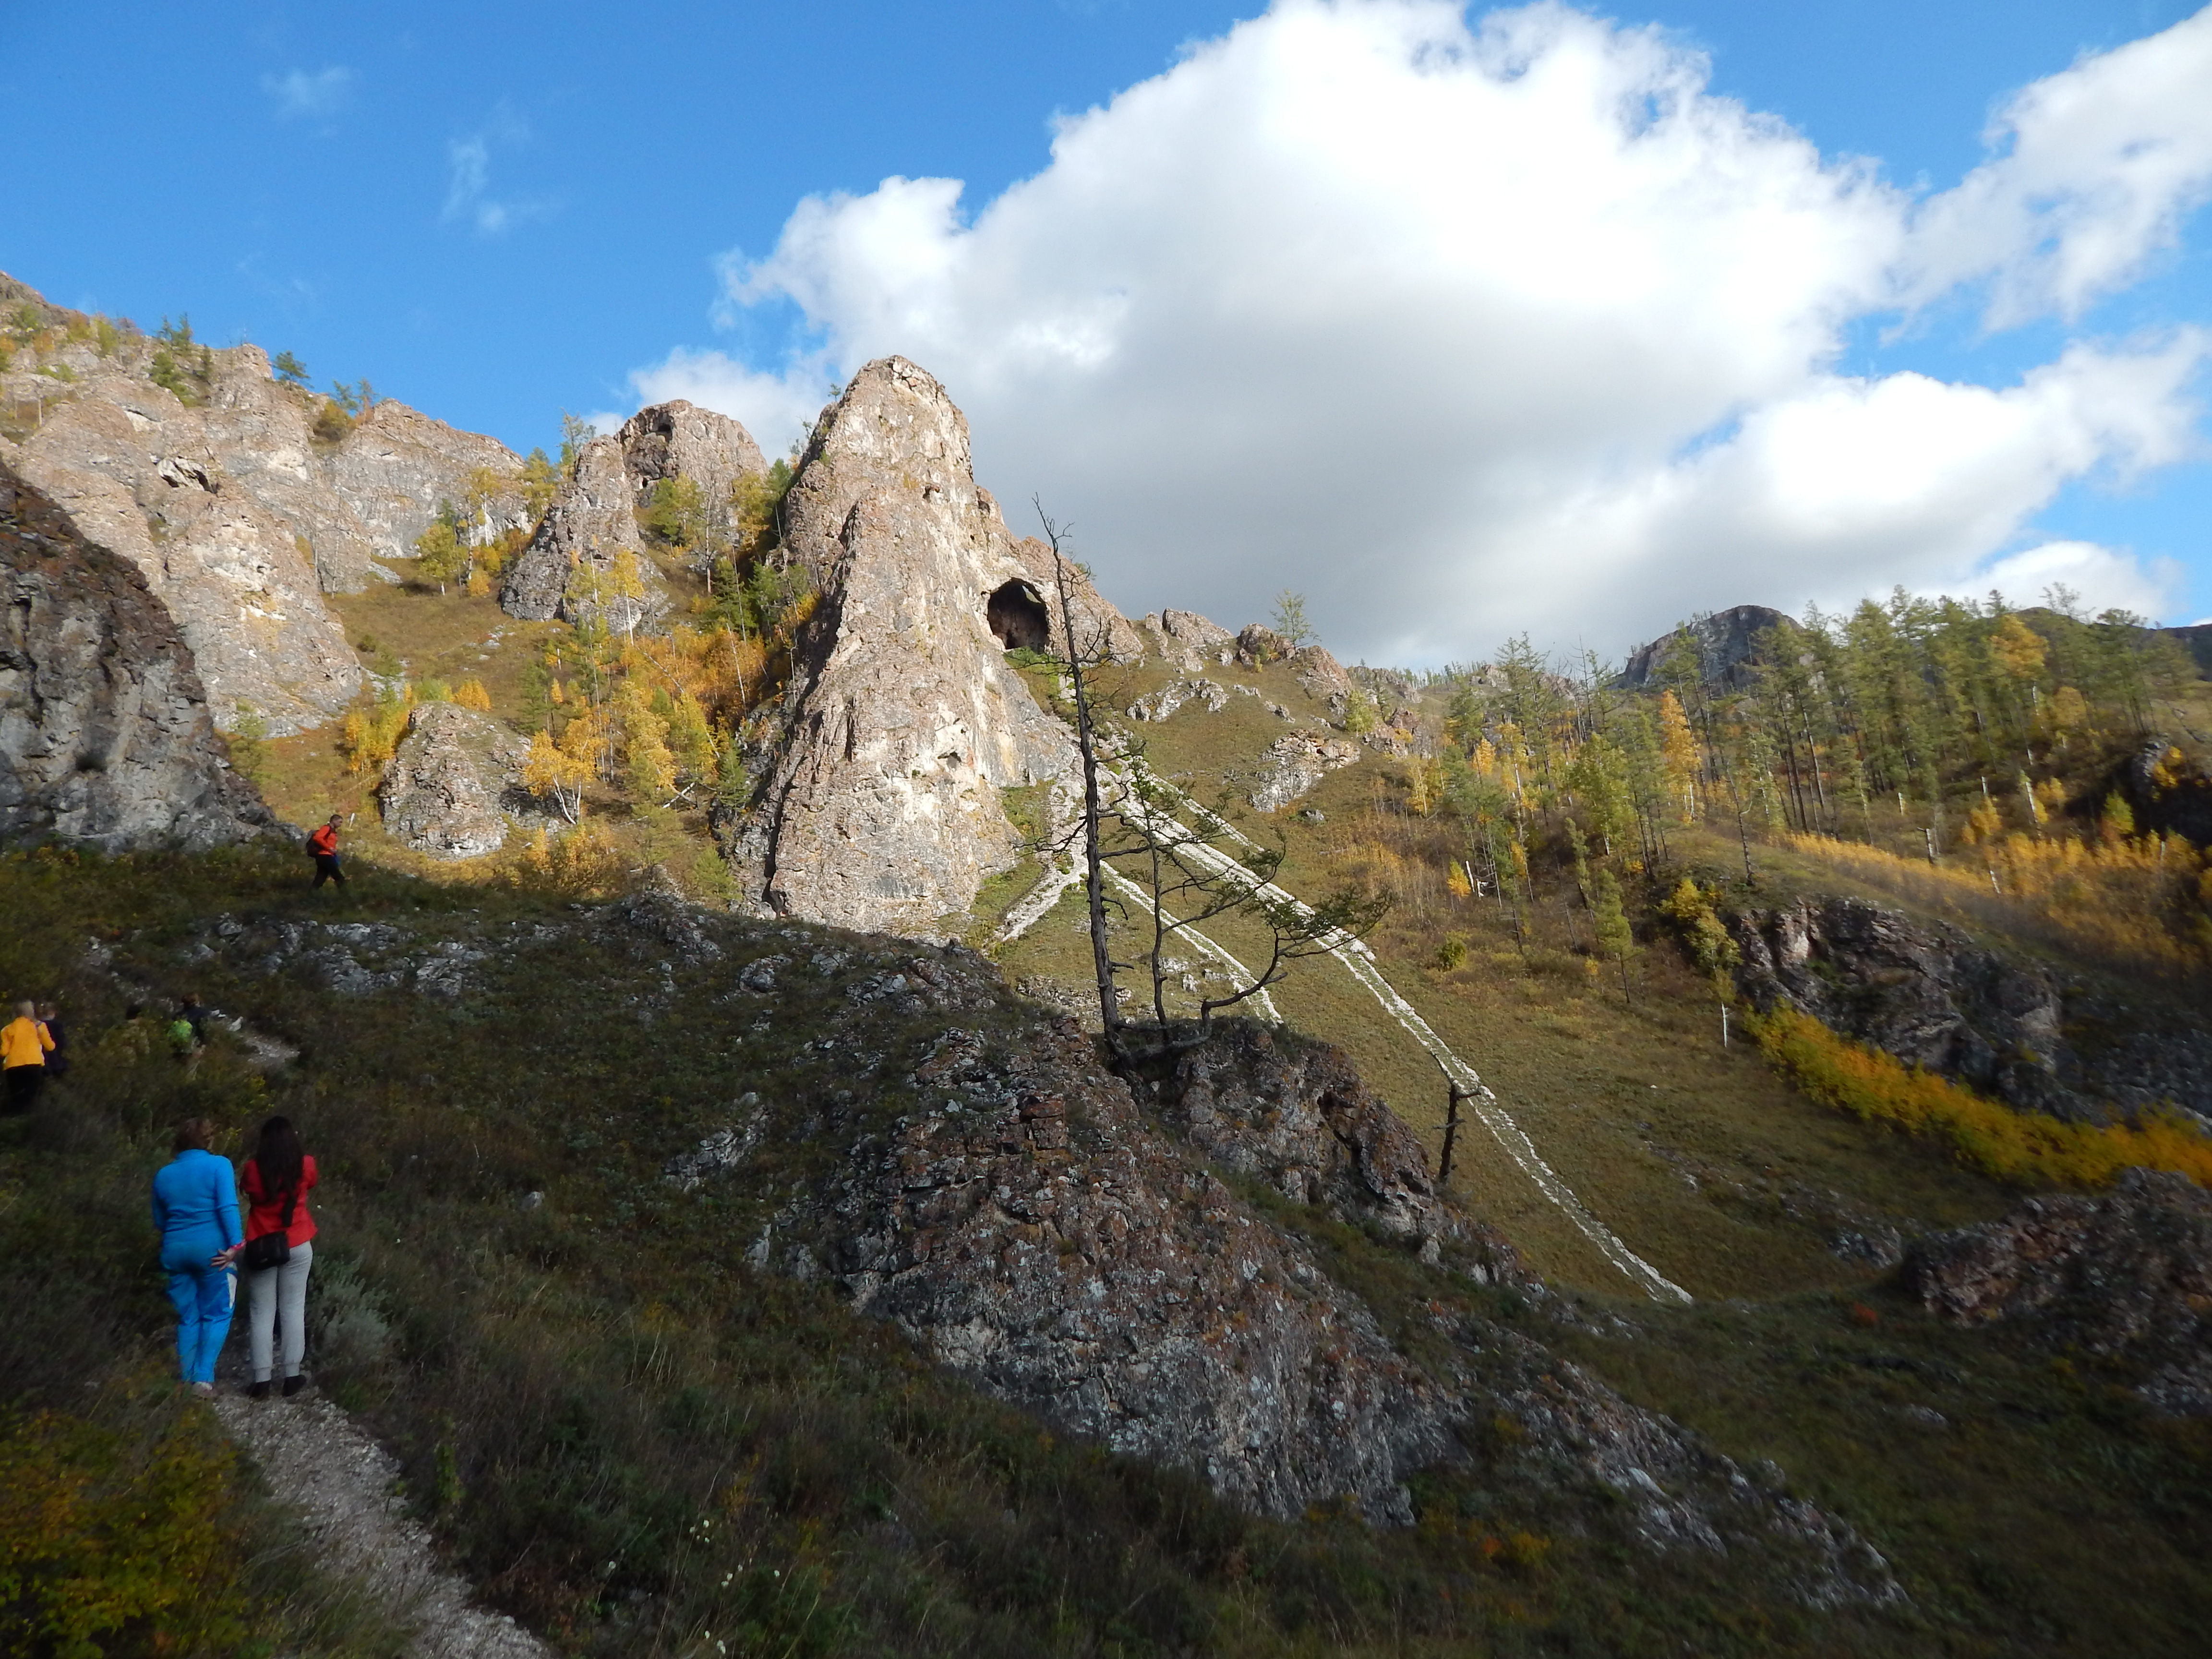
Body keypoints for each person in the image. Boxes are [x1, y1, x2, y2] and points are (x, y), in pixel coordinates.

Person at [150, 1118, 241, 1396]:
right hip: (213, 1252)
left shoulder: (163, 1174)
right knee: (218, 1312)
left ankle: (185, 1378)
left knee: (187, 1316)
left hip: (175, 1250)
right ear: (208, 1140)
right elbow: (227, 1207)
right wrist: (236, 1245)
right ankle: (202, 1379)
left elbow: (160, 1220)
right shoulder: (219, 1165)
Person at [239, 1115, 318, 1400]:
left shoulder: (253, 1169)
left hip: (262, 1245)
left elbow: (248, 1191)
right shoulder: (306, 1164)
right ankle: (292, 1376)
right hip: (298, 1241)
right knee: (293, 1308)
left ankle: (261, 1381)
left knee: (262, 1311)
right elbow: (311, 1183)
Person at [1, 999, 53, 1115]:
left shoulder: (7, 1029)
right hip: (34, 1063)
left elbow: (4, 1052)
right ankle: (27, 1119)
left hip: (13, 1065)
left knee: (16, 1096)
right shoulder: (39, 1026)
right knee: (30, 1096)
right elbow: (50, 1047)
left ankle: (13, 1118)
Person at [308, 814, 346, 888]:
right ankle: (346, 892)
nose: (341, 824)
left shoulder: (332, 831)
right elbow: (317, 838)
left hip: (326, 856)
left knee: (320, 878)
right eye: (340, 822)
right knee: (339, 877)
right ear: (334, 821)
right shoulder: (326, 828)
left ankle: (312, 893)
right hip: (325, 856)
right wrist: (329, 848)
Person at [37, 1001, 67, 1081]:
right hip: (55, 1057)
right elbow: (61, 1042)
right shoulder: (57, 1025)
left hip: (40, 1057)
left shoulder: (37, 1025)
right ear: (52, 1012)